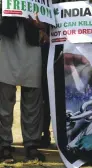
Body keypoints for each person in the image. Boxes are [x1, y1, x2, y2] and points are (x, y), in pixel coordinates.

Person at [0, 13, 48, 163]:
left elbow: (51, 12)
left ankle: (32, 144)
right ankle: (4, 144)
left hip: (33, 41)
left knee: (33, 98)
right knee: (4, 100)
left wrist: (45, 26)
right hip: (5, 41)